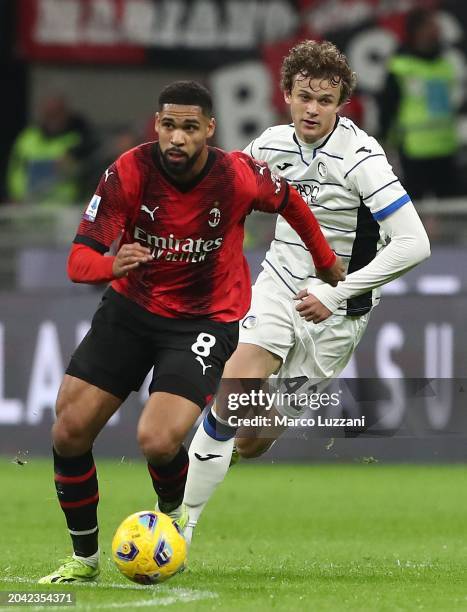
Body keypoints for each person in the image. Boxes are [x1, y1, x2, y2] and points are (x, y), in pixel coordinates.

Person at [38, 80, 342, 584]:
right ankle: (84, 560)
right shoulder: (128, 172)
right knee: (68, 431)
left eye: (189, 128)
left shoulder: (238, 177)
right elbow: (78, 258)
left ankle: (173, 520)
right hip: (131, 308)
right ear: (157, 125)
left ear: (209, 130)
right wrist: (109, 267)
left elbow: (289, 201)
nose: (176, 138)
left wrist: (326, 262)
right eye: (168, 126)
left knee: (157, 440)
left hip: (204, 319)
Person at [184, 41, 431, 543]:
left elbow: (415, 244)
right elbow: (221, 201)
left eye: (325, 99)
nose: (313, 109)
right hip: (278, 284)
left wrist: (336, 296)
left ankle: (223, 450)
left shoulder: (362, 158)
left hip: (340, 311)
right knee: (234, 391)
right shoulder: (268, 147)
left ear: (341, 104)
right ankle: (179, 525)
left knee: (252, 439)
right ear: (286, 95)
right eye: (304, 97)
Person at [379, 7, 460, 199]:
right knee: (414, 210)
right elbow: (387, 109)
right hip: (414, 151)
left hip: (446, 148)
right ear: (417, 31)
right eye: (431, 26)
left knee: (453, 208)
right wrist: (387, 145)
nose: (437, 30)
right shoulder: (400, 67)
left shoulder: (445, 64)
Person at [6, 94, 96, 205]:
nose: (53, 118)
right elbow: (16, 171)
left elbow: (93, 168)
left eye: (57, 113)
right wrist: (16, 196)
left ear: (66, 113)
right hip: (29, 205)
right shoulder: (28, 138)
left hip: (67, 207)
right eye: (49, 114)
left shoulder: (79, 138)